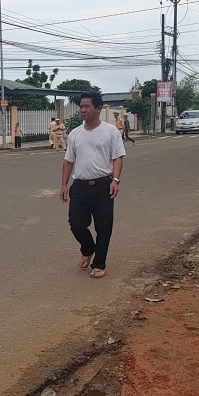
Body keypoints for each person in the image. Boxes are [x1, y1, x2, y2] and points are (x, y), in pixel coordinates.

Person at [60, 91, 126, 279]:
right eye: (81, 106)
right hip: (79, 186)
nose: (83, 110)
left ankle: (99, 263)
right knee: (76, 223)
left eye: (87, 106)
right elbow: (68, 161)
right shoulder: (75, 134)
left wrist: (115, 180)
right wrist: (64, 185)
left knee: (104, 227)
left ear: (98, 108)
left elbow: (118, 157)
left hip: (103, 185)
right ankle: (88, 249)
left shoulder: (110, 131)